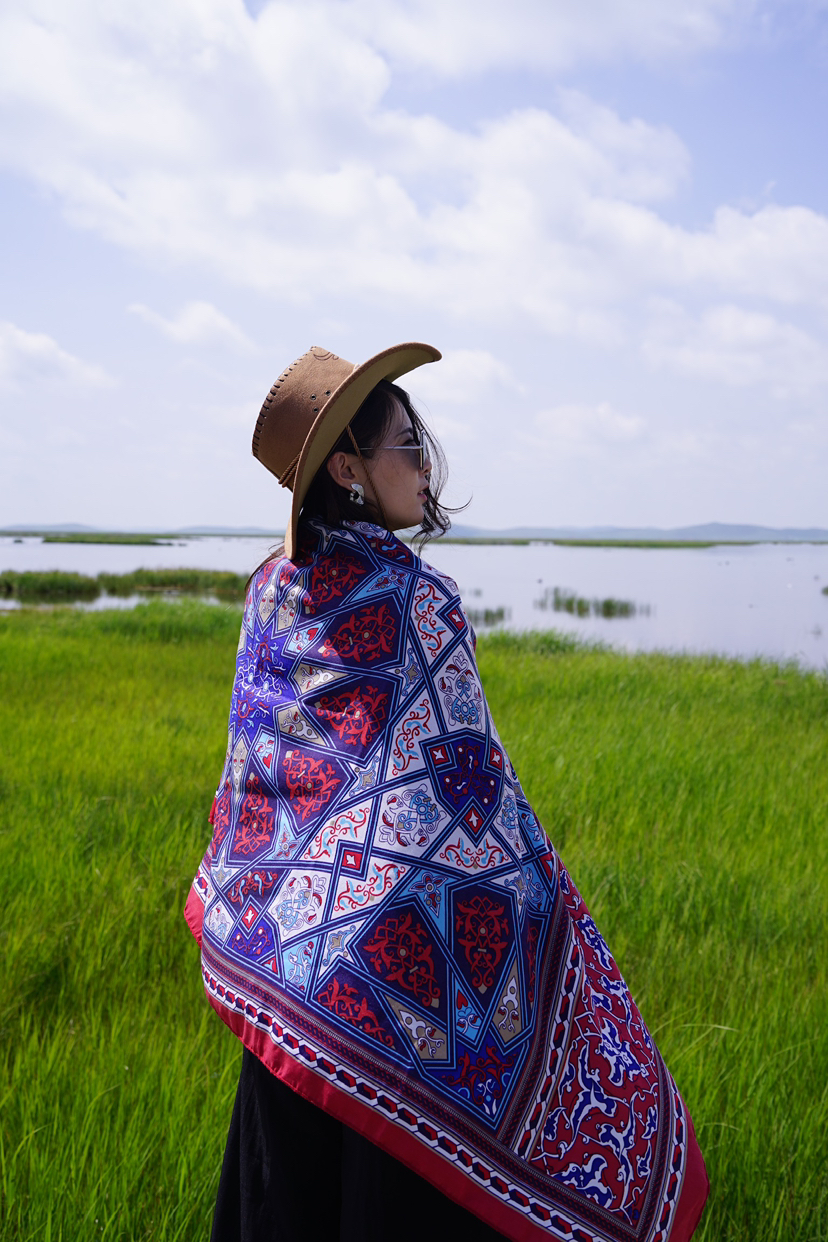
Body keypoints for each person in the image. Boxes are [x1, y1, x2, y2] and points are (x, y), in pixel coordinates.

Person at [185, 343, 709, 1242]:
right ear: (348, 470)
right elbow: (478, 808)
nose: (425, 463)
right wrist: (553, 921)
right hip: (397, 995)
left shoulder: (272, 590)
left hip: (291, 981)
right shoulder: (417, 600)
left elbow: (259, 793)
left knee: (292, 1209)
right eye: (408, 444)